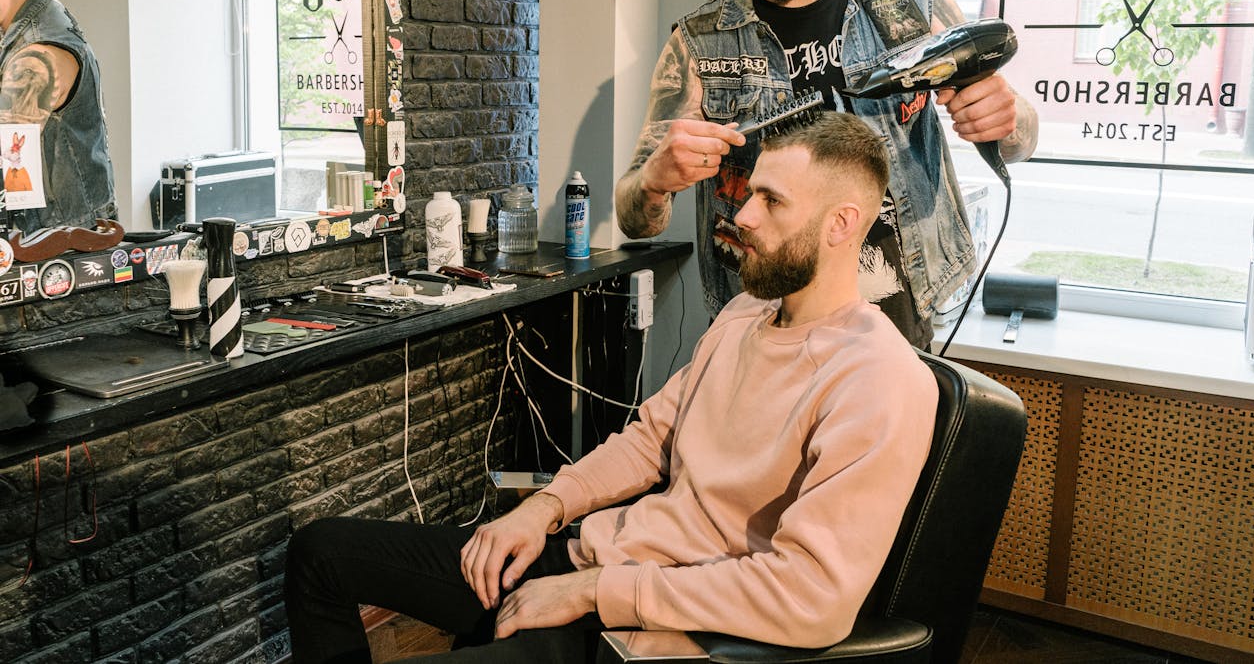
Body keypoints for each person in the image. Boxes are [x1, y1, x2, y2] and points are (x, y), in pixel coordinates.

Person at [284, 112, 938, 663]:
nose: (743, 213)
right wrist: (538, 512)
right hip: (590, 557)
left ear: (841, 223)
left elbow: (813, 599)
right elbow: (651, 437)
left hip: (641, 624)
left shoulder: (878, 378)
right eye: (750, 192)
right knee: (321, 554)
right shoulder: (744, 315)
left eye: (772, 200)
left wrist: (595, 592)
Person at [614, 0, 1038, 350]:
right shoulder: (699, 44)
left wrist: (1006, 118)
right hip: (766, 324)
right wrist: (655, 178)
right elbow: (635, 217)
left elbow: (1022, 138)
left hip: (900, 309)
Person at [0, 0, 116, 231]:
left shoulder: (34, 56)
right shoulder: (50, 17)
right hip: (71, 231)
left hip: (59, 244)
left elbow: (11, 159)